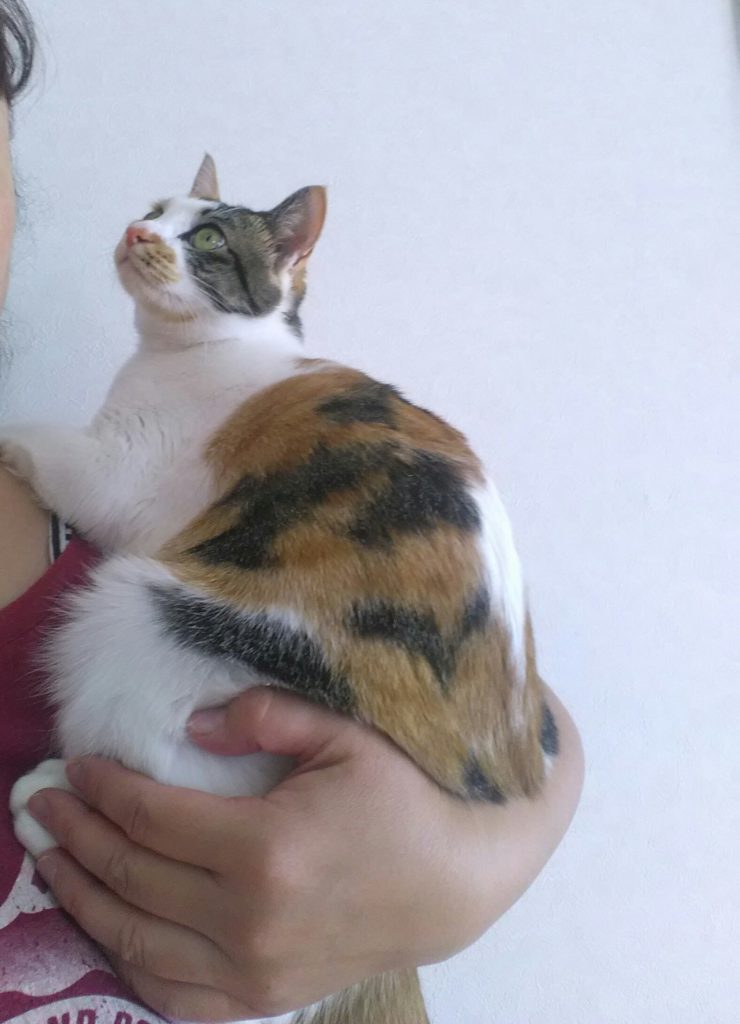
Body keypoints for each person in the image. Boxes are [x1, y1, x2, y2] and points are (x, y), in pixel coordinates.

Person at [0, 4, 584, 1021]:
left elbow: (525, 711)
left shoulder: (129, 481)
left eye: (192, 232)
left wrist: (468, 861)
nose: (148, 233)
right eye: (158, 215)